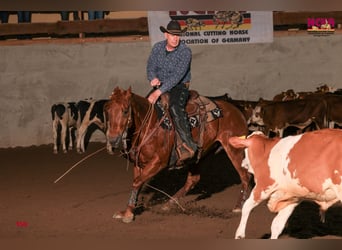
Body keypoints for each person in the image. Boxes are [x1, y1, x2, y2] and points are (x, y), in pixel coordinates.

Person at [146, 20, 197, 163]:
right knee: (146, 106)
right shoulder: (157, 48)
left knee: (175, 107)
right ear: (166, 35)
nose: (176, 38)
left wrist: (158, 91)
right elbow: (151, 65)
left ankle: (188, 144)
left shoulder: (185, 51)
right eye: (173, 35)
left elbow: (177, 76)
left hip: (179, 86)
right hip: (160, 85)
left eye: (178, 35)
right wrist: (152, 77)